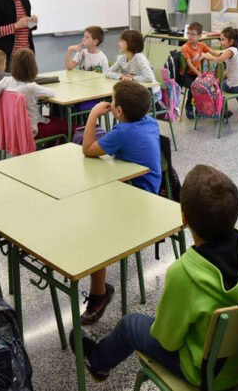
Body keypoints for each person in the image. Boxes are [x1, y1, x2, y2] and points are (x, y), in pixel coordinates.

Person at [69, 164, 238, 388]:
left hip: (204, 372)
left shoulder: (183, 273)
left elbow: (167, 341)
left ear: (183, 219)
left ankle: (98, 361)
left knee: (129, 325)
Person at [79, 80, 162, 324]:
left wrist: (93, 114)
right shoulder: (150, 123)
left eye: (112, 101)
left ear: (118, 112)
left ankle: (99, 293)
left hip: (136, 201)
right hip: (149, 191)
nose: (110, 103)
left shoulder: (123, 132)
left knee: (96, 230)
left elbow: (87, 149)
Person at [0, 48, 63, 138]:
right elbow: (52, 93)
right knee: (67, 125)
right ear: (33, 67)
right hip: (30, 131)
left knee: (47, 112)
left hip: (11, 129)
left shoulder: (5, 81)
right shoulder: (32, 87)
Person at [202, 26, 238, 125]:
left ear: (231, 41)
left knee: (215, 87)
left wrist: (207, 56)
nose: (220, 42)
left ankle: (224, 111)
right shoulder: (237, 51)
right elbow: (229, 71)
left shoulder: (231, 50)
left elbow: (219, 59)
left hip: (237, 85)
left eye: (223, 40)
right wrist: (220, 78)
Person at [105, 29, 162, 106]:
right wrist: (121, 76)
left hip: (151, 94)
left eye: (121, 41)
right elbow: (107, 72)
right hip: (136, 92)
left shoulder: (139, 58)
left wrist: (132, 78)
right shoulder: (122, 58)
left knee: (127, 107)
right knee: (119, 103)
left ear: (130, 43)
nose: (118, 44)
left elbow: (149, 78)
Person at [179, 22, 210, 119]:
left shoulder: (201, 45)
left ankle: (199, 107)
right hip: (186, 74)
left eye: (193, 34)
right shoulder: (185, 47)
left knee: (204, 86)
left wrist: (221, 55)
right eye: (188, 33)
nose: (190, 36)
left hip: (196, 73)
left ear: (199, 36)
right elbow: (189, 64)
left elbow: (211, 52)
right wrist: (199, 74)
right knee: (194, 86)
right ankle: (189, 106)